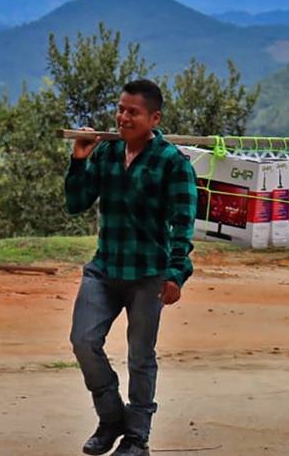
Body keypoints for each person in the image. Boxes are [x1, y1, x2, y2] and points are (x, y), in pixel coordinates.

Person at [65, 79, 197, 456]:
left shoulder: (172, 163)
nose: (123, 117)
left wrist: (176, 274)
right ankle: (111, 419)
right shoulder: (106, 154)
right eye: (120, 109)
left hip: (149, 275)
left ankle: (137, 436)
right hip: (105, 268)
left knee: (141, 355)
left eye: (132, 112)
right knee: (83, 341)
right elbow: (76, 203)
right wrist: (79, 159)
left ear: (153, 118)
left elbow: (183, 225)